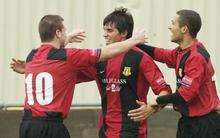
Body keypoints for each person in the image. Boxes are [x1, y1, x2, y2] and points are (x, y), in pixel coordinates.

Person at [11, 9, 171, 138]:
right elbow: (61, 76)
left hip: (132, 131)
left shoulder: (140, 58)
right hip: (105, 130)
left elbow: (164, 91)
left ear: (124, 33)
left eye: (110, 30)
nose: (105, 34)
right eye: (104, 30)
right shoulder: (99, 61)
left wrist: (152, 106)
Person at [129, 9, 220, 138]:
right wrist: (134, 43)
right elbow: (162, 54)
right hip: (188, 122)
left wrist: (156, 101)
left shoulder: (196, 57)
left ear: (184, 29)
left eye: (173, 23)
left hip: (204, 125)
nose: (169, 27)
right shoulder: (182, 51)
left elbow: (184, 95)